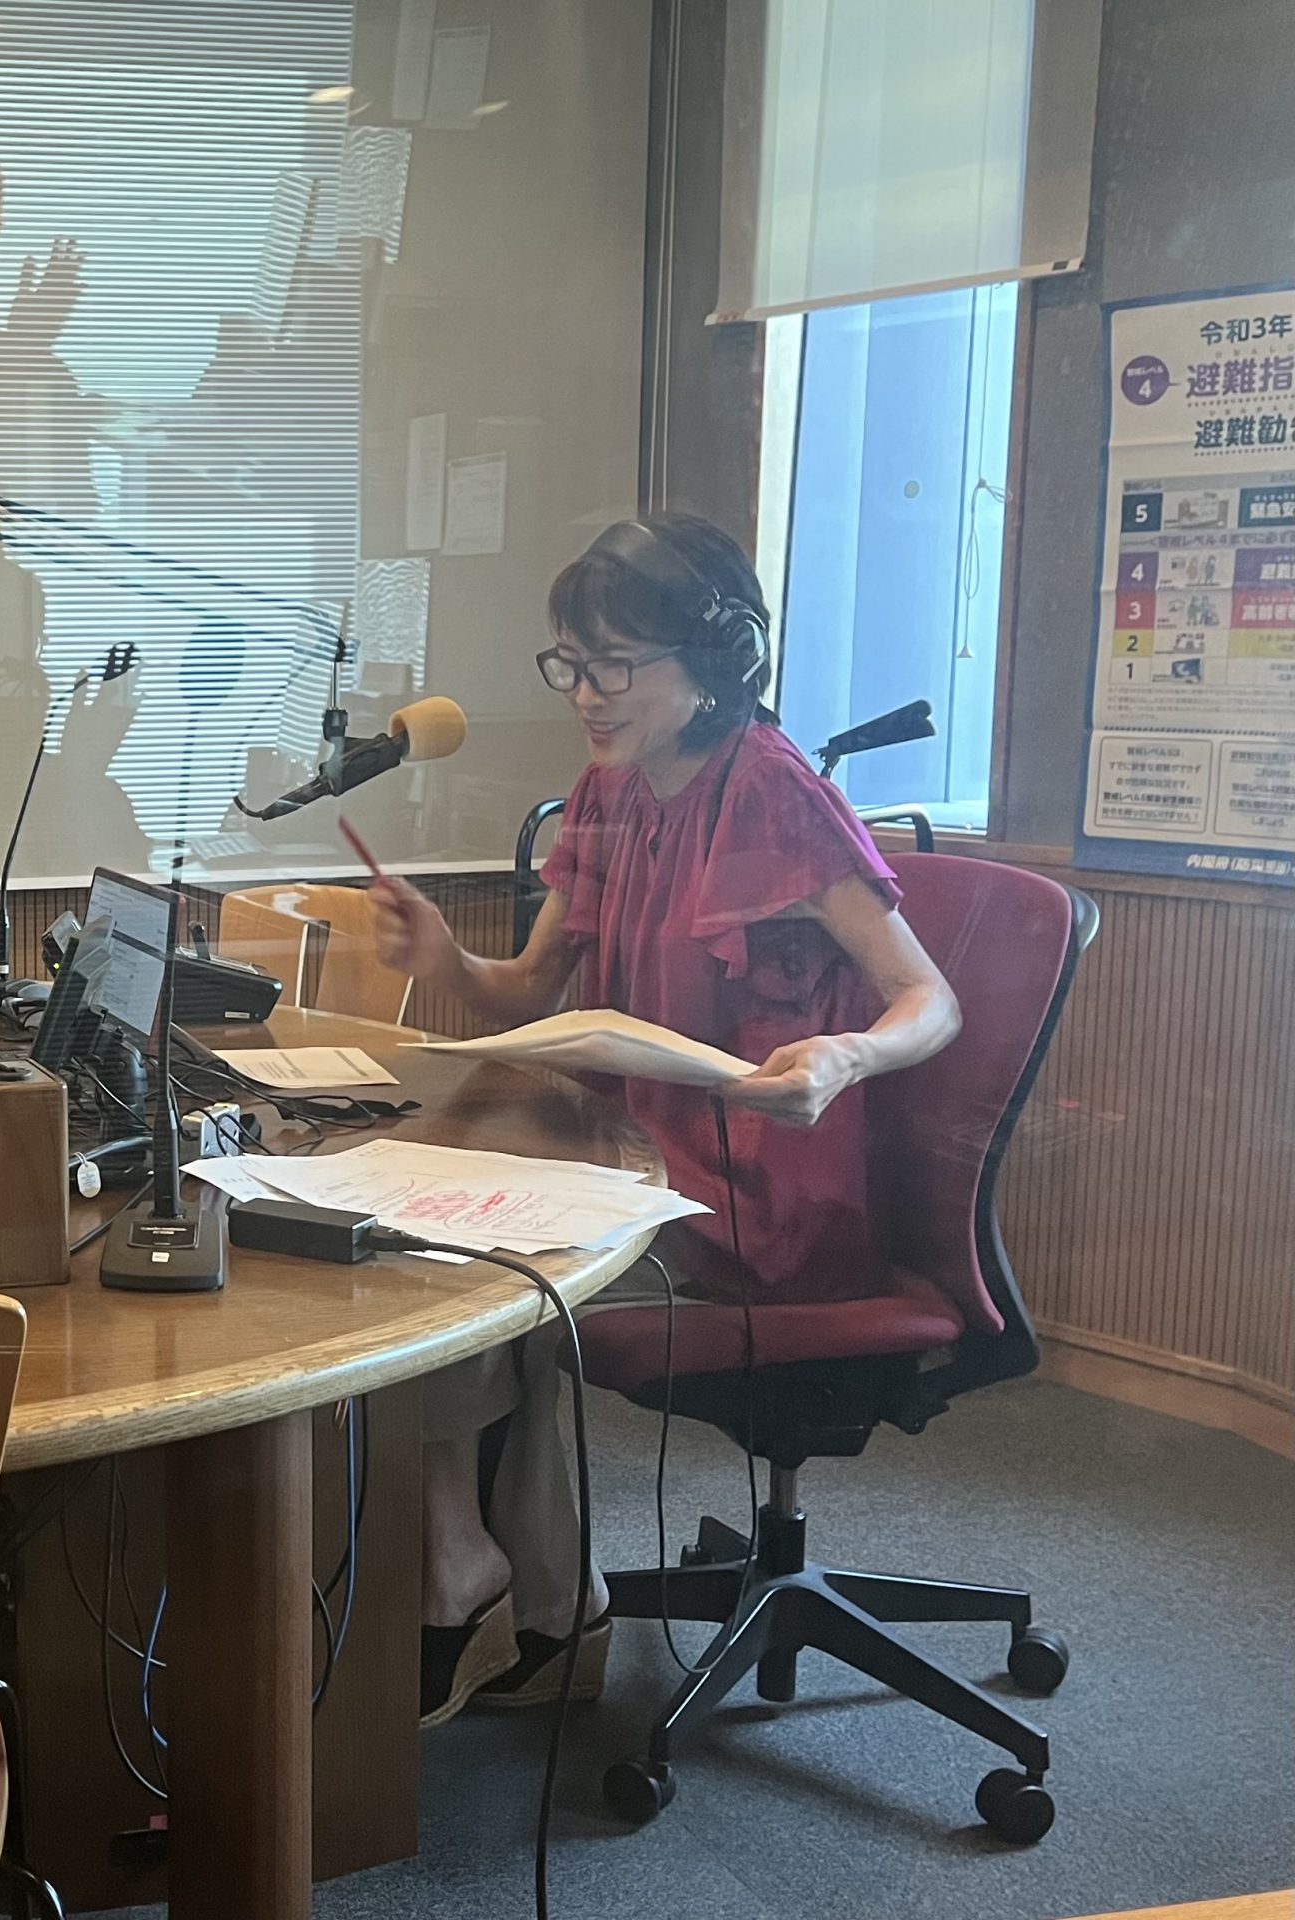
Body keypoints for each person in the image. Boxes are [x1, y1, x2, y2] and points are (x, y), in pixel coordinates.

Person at [375, 513, 962, 1723]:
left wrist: (846, 1054)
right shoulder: (607, 792)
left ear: (713, 662)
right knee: (425, 1251)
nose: (586, 696)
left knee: (498, 1289)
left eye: (615, 666)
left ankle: (509, 1595)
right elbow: (527, 992)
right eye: (570, 664)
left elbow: (929, 998)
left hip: (753, 1203)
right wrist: (444, 959)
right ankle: (502, 1585)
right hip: (630, 1171)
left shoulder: (775, 793)